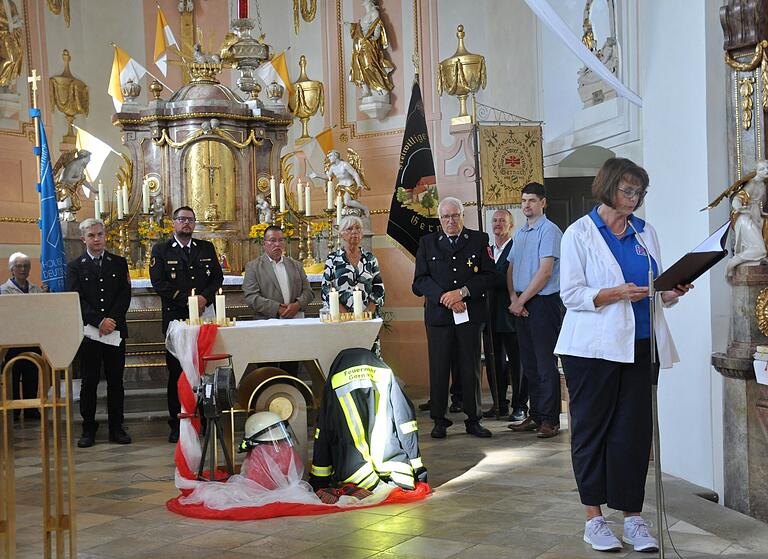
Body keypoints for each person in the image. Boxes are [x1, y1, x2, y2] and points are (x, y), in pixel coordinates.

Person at [554, 157, 692, 552]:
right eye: (627, 190)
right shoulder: (579, 233)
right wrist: (615, 293)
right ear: (608, 186)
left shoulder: (646, 232)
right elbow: (571, 294)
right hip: (592, 349)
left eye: (639, 193)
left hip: (641, 345)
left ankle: (633, 516)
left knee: (633, 433)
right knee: (591, 430)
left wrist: (671, 291)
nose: (634, 199)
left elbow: (657, 285)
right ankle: (594, 519)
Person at [412, 197, 495, 439]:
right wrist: (444, 297)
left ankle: (474, 419)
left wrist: (462, 293)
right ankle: (439, 419)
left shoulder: (480, 240)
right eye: (446, 217)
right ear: (440, 220)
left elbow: (489, 276)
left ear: (462, 216)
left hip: (469, 314)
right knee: (439, 369)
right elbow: (419, 282)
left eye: (455, 215)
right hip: (439, 317)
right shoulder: (427, 243)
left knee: (470, 368)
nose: (451, 221)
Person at [150, 206, 223, 443]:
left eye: (190, 220)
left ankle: (204, 417)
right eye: (182, 219)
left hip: (204, 318)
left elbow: (217, 278)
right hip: (176, 319)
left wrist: (204, 298)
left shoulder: (205, 248)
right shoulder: (161, 250)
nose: (186, 223)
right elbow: (159, 283)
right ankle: (178, 422)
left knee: (205, 372)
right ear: (174, 223)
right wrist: (190, 300)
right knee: (178, 374)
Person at [66, 219, 132, 447]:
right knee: (89, 381)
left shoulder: (119, 263)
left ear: (105, 236)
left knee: (116, 381)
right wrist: (99, 321)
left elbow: (124, 295)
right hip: (89, 333)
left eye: (100, 234)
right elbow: (76, 299)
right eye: (92, 235)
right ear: (83, 238)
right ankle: (88, 429)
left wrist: (111, 320)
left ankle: (116, 427)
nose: (97, 239)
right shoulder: (75, 266)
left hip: (115, 331)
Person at [506, 182, 563, 438]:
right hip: (522, 301)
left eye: (531, 200)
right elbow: (510, 267)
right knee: (528, 363)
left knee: (544, 364)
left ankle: (550, 420)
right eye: (523, 201)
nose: (526, 205)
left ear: (543, 203)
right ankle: (536, 415)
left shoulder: (549, 231)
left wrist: (522, 300)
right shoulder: (520, 233)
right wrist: (513, 297)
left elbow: (545, 271)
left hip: (543, 302)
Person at [484, 209, 527, 422]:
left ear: (510, 225)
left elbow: (515, 277)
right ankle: (499, 403)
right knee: (494, 361)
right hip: (489, 316)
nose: (498, 224)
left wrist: (488, 279)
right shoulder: (487, 250)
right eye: (494, 221)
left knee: (517, 362)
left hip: (511, 315)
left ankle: (520, 405)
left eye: (502, 220)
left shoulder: (516, 248)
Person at [321, 215, 385, 352]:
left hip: (367, 319)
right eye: (349, 229)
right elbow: (326, 289)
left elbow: (379, 288)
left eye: (358, 229)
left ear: (362, 234)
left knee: (368, 356)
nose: (354, 232)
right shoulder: (333, 259)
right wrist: (345, 315)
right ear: (341, 234)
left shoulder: (370, 259)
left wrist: (369, 311)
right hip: (341, 320)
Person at [1, 252, 46, 421]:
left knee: (32, 374)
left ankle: (31, 409)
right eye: (19, 266)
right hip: (12, 341)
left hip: (33, 339)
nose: (23, 269)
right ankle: (13, 410)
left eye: (26, 266)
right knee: (13, 374)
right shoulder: (3, 290)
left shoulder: (35, 289)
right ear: (12, 270)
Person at [243, 225, 314, 320]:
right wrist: (277, 308)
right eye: (272, 240)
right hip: (268, 321)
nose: (277, 244)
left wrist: (297, 305)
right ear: (264, 244)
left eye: (280, 240)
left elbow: (308, 292)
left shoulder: (296, 265)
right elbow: (251, 297)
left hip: (296, 319)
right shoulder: (253, 267)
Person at [726, 159, 768, 276]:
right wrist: (739, 208)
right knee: (760, 249)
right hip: (744, 217)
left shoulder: (762, 184)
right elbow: (737, 199)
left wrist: (761, 213)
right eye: (762, 169)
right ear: (756, 171)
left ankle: (760, 258)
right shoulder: (752, 184)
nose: (766, 171)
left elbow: (755, 202)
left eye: (767, 168)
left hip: (755, 215)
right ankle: (734, 262)